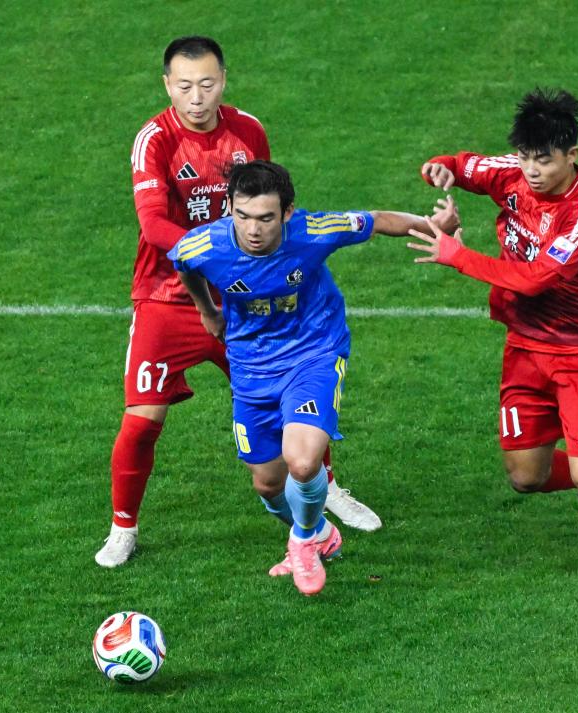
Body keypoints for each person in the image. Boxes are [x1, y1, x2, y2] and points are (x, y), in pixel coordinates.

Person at [96, 36, 380, 569]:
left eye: (207, 84)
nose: (196, 97)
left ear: (223, 80)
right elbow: (153, 225)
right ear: (167, 86)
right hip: (167, 298)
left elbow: (265, 200)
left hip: (247, 303)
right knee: (141, 419)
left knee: (295, 385)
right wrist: (218, 255)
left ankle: (327, 490)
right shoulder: (154, 140)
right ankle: (123, 528)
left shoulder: (248, 130)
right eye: (185, 86)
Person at [408, 88, 578, 595]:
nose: (531, 170)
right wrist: (438, 169)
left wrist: (456, 255)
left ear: (572, 155)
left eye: (544, 161)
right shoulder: (513, 170)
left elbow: (535, 279)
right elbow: (462, 165)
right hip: (525, 349)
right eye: (526, 157)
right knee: (525, 477)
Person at [169, 160, 459, 595]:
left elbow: (377, 220)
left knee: (303, 463)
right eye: (242, 216)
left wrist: (433, 225)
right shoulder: (205, 245)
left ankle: (302, 543)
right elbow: (184, 265)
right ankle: (320, 531)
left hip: (314, 353)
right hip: (251, 367)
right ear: (228, 207)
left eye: (266, 218)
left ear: (287, 213)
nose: (252, 229)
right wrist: (206, 310)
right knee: (268, 483)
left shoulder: (312, 232)